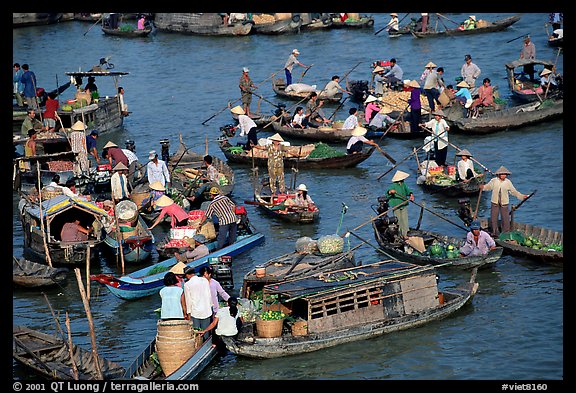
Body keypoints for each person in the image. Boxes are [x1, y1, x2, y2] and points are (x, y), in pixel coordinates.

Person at [479, 166, 528, 236]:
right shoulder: (494, 180)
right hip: (495, 202)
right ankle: (494, 232)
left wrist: (522, 196)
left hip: (504, 202)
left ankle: (505, 233)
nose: (503, 176)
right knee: (494, 218)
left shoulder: (508, 182)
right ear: (498, 174)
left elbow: (514, 191)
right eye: (502, 174)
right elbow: (488, 187)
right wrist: (483, 187)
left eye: (504, 174)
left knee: (505, 218)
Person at [183, 266, 213, 332]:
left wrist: (188, 314)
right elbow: (209, 295)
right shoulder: (204, 280)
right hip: (206, 310)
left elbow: (188, 301)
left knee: (196, 332)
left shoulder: (187, 284)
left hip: (195, 312)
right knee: (206, 331)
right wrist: (210, 306)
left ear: (187, 275)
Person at [386, 170, 414, 239]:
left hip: (403, 204)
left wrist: (411, 195)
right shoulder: (393, 185)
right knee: (399, 221)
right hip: (396, 205)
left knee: (405, 220)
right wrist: (390, 192)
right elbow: (387, 194)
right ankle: (400, 234)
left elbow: (408, 191)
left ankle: (405, 234)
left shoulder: (403, 184)